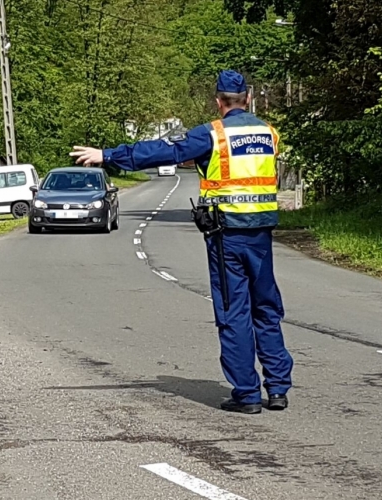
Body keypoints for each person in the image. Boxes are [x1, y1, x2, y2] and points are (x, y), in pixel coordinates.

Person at [69, 70, 294, 415]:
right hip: (262, 234)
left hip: (227, 236)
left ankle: (247, 394)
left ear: (218, 101)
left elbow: (164, 152)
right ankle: (278, 389)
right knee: (266, 307)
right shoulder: (269, 133)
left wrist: (109, 155)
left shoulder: (213, 135)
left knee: (234, 311)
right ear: (248, 98)